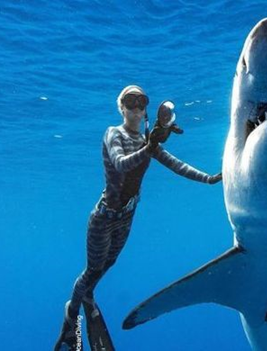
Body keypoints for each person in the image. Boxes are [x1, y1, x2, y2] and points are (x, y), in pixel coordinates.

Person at [54, 85, 222, 351]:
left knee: (108, 264)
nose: (135, 107)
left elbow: (177, 165)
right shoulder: (113, 134)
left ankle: (87, 296)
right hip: (104, 218)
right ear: (120, 107)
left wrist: (210, 179)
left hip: (127, 217)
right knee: (92, 270)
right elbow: (121, 163)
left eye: (140, 101)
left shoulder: (148, 140)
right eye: (129, 101)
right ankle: (69, 322)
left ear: (145, 109)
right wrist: (150, 146)